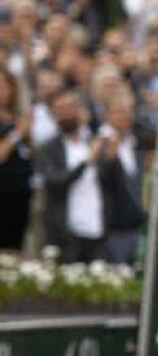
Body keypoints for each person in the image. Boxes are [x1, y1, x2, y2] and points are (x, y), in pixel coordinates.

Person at [37, 89, 107, 264]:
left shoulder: (94, 142)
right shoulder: (48, 148)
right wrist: (86, 163)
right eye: (60, 109)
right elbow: (56, 182)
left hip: (98, 229)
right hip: (66, 232)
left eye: (71, 107)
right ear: (53, 115)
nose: (67, 113)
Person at [97, 92, 146, 264]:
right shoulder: (99, 144)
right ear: (107, 115)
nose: (124, 116)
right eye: (119, 111)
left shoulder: (137, 144)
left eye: (128, 111)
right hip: (113, 229)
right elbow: (101, 178)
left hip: (138, 226)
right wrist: (109, 160)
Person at [0, 68, 33, 252]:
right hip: (2, 190)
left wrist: (28, 134)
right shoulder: (19, 126)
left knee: (16, 246)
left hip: (21, 190)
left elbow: (30, 153)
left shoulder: (18, 118)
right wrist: (18, 133)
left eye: (5, 85)